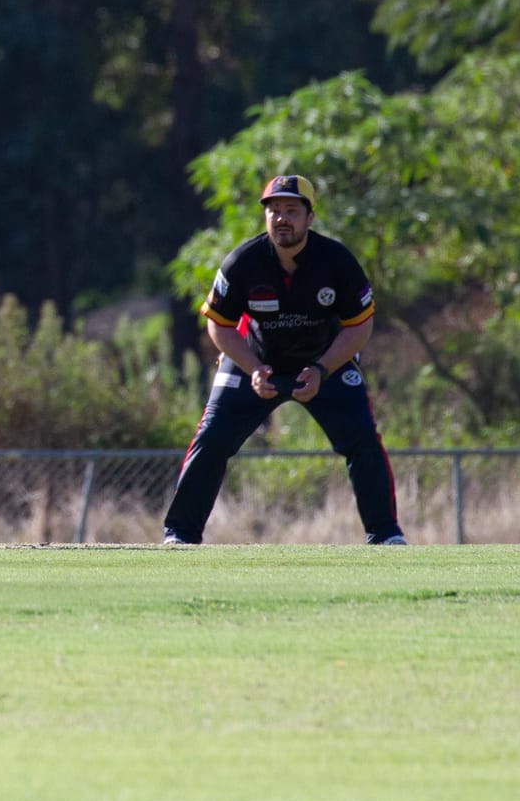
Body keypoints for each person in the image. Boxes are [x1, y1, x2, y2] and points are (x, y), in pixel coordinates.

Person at [161, 174, 406, 545]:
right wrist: (253, 370)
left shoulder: (337, 261)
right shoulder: (242, 261)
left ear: (310, 217)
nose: (281, 219)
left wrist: (322, 369)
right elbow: (219, 326)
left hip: (325, 363)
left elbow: (360, 326)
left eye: (292, 210)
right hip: (255, 361)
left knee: (362, 440)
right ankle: (180, 535)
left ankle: (385, 535)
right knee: (212, 437)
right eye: (274, 211)